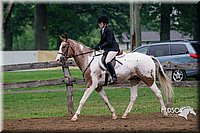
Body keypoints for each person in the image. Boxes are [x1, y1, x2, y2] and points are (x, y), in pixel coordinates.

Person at [94, 15, 120, 83]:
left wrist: (100, 47)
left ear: (104, 23)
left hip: (113, 49)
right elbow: (101, 41)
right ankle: (106, 77)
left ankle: (114, 76)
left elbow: (109, 42)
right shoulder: (102, 31)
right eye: (99, 23)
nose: (99, 24)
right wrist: (95, 47)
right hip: (108, 49)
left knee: (107, 60)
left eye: (100, 23)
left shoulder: (109, 30)